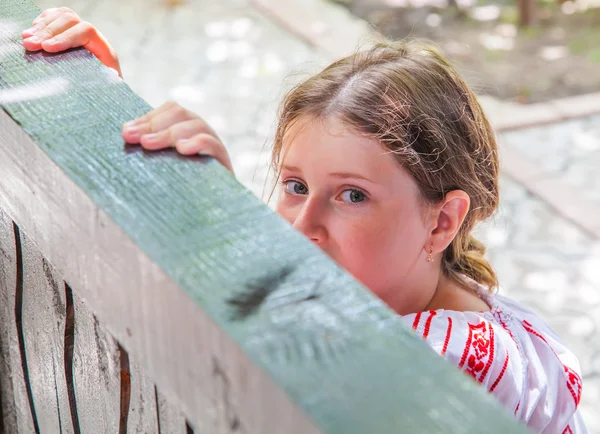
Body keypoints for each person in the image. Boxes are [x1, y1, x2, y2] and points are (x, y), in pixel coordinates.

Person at [22, 7, 588, 432]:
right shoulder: (422, 291)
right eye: (295, 186)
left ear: (442, 222)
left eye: (353, 197)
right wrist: (111, 111)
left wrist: (210, 211)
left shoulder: (444, 360)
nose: (302, 225)